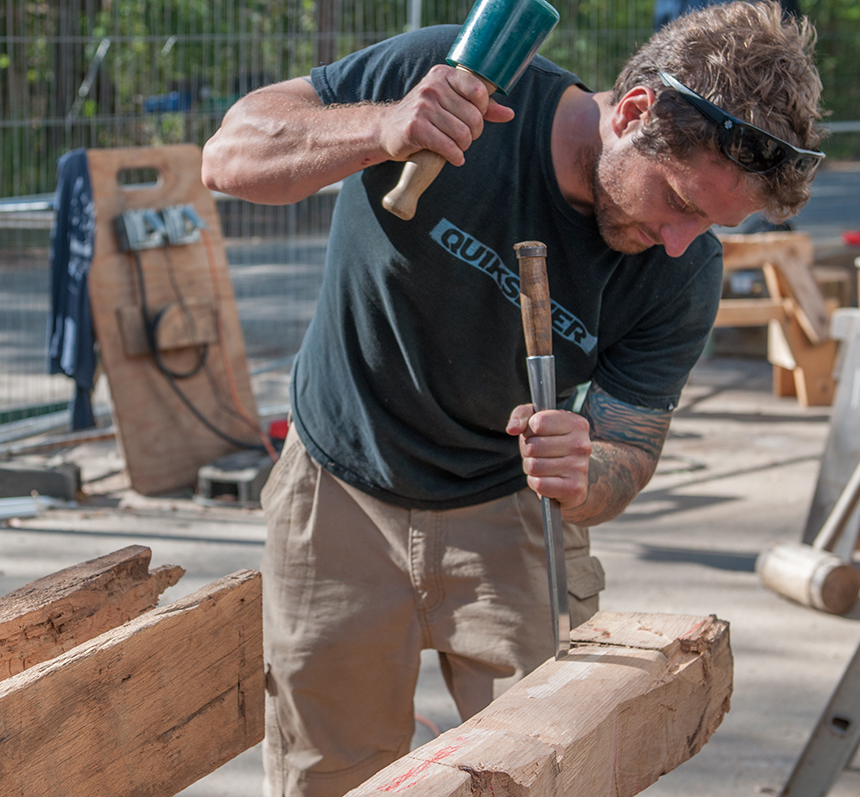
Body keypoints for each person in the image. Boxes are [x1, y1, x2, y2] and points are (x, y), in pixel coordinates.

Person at [200, 2, 824, 795]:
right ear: (634, 114)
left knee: (559, 765)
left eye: (710, 225)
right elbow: (228, 155)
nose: (679, 241)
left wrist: (584, 469)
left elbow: (628, 451)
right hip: (339, 491)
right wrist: (384, 128)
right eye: (681, 202)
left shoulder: (683, 268)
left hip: (511, 508)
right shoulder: (453, 82)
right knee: (327, 775)